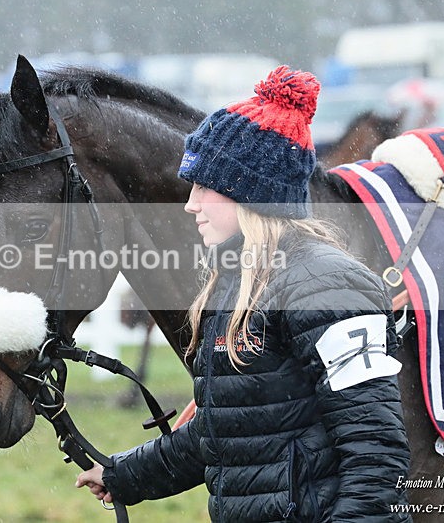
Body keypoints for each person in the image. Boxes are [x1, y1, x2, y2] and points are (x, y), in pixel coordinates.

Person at [75, 65, 411, 522]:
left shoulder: (326, 285)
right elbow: (222, 432)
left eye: (203, 187)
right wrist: (123, 476)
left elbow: (376, 454)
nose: (190, 203)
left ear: (250, 194)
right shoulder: (231, 284)